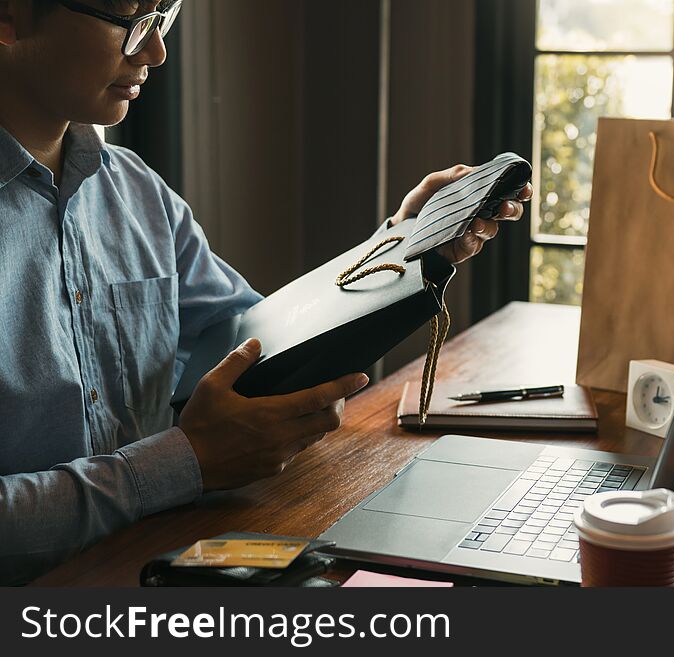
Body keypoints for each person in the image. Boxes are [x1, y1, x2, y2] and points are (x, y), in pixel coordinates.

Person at [0, 0, 533, 584]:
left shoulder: (136, 193)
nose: (154, 52)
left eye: (163, 18)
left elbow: (253, 340)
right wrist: (187, 462)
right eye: (130, 21)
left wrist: (402, 249)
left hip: (165, 555)